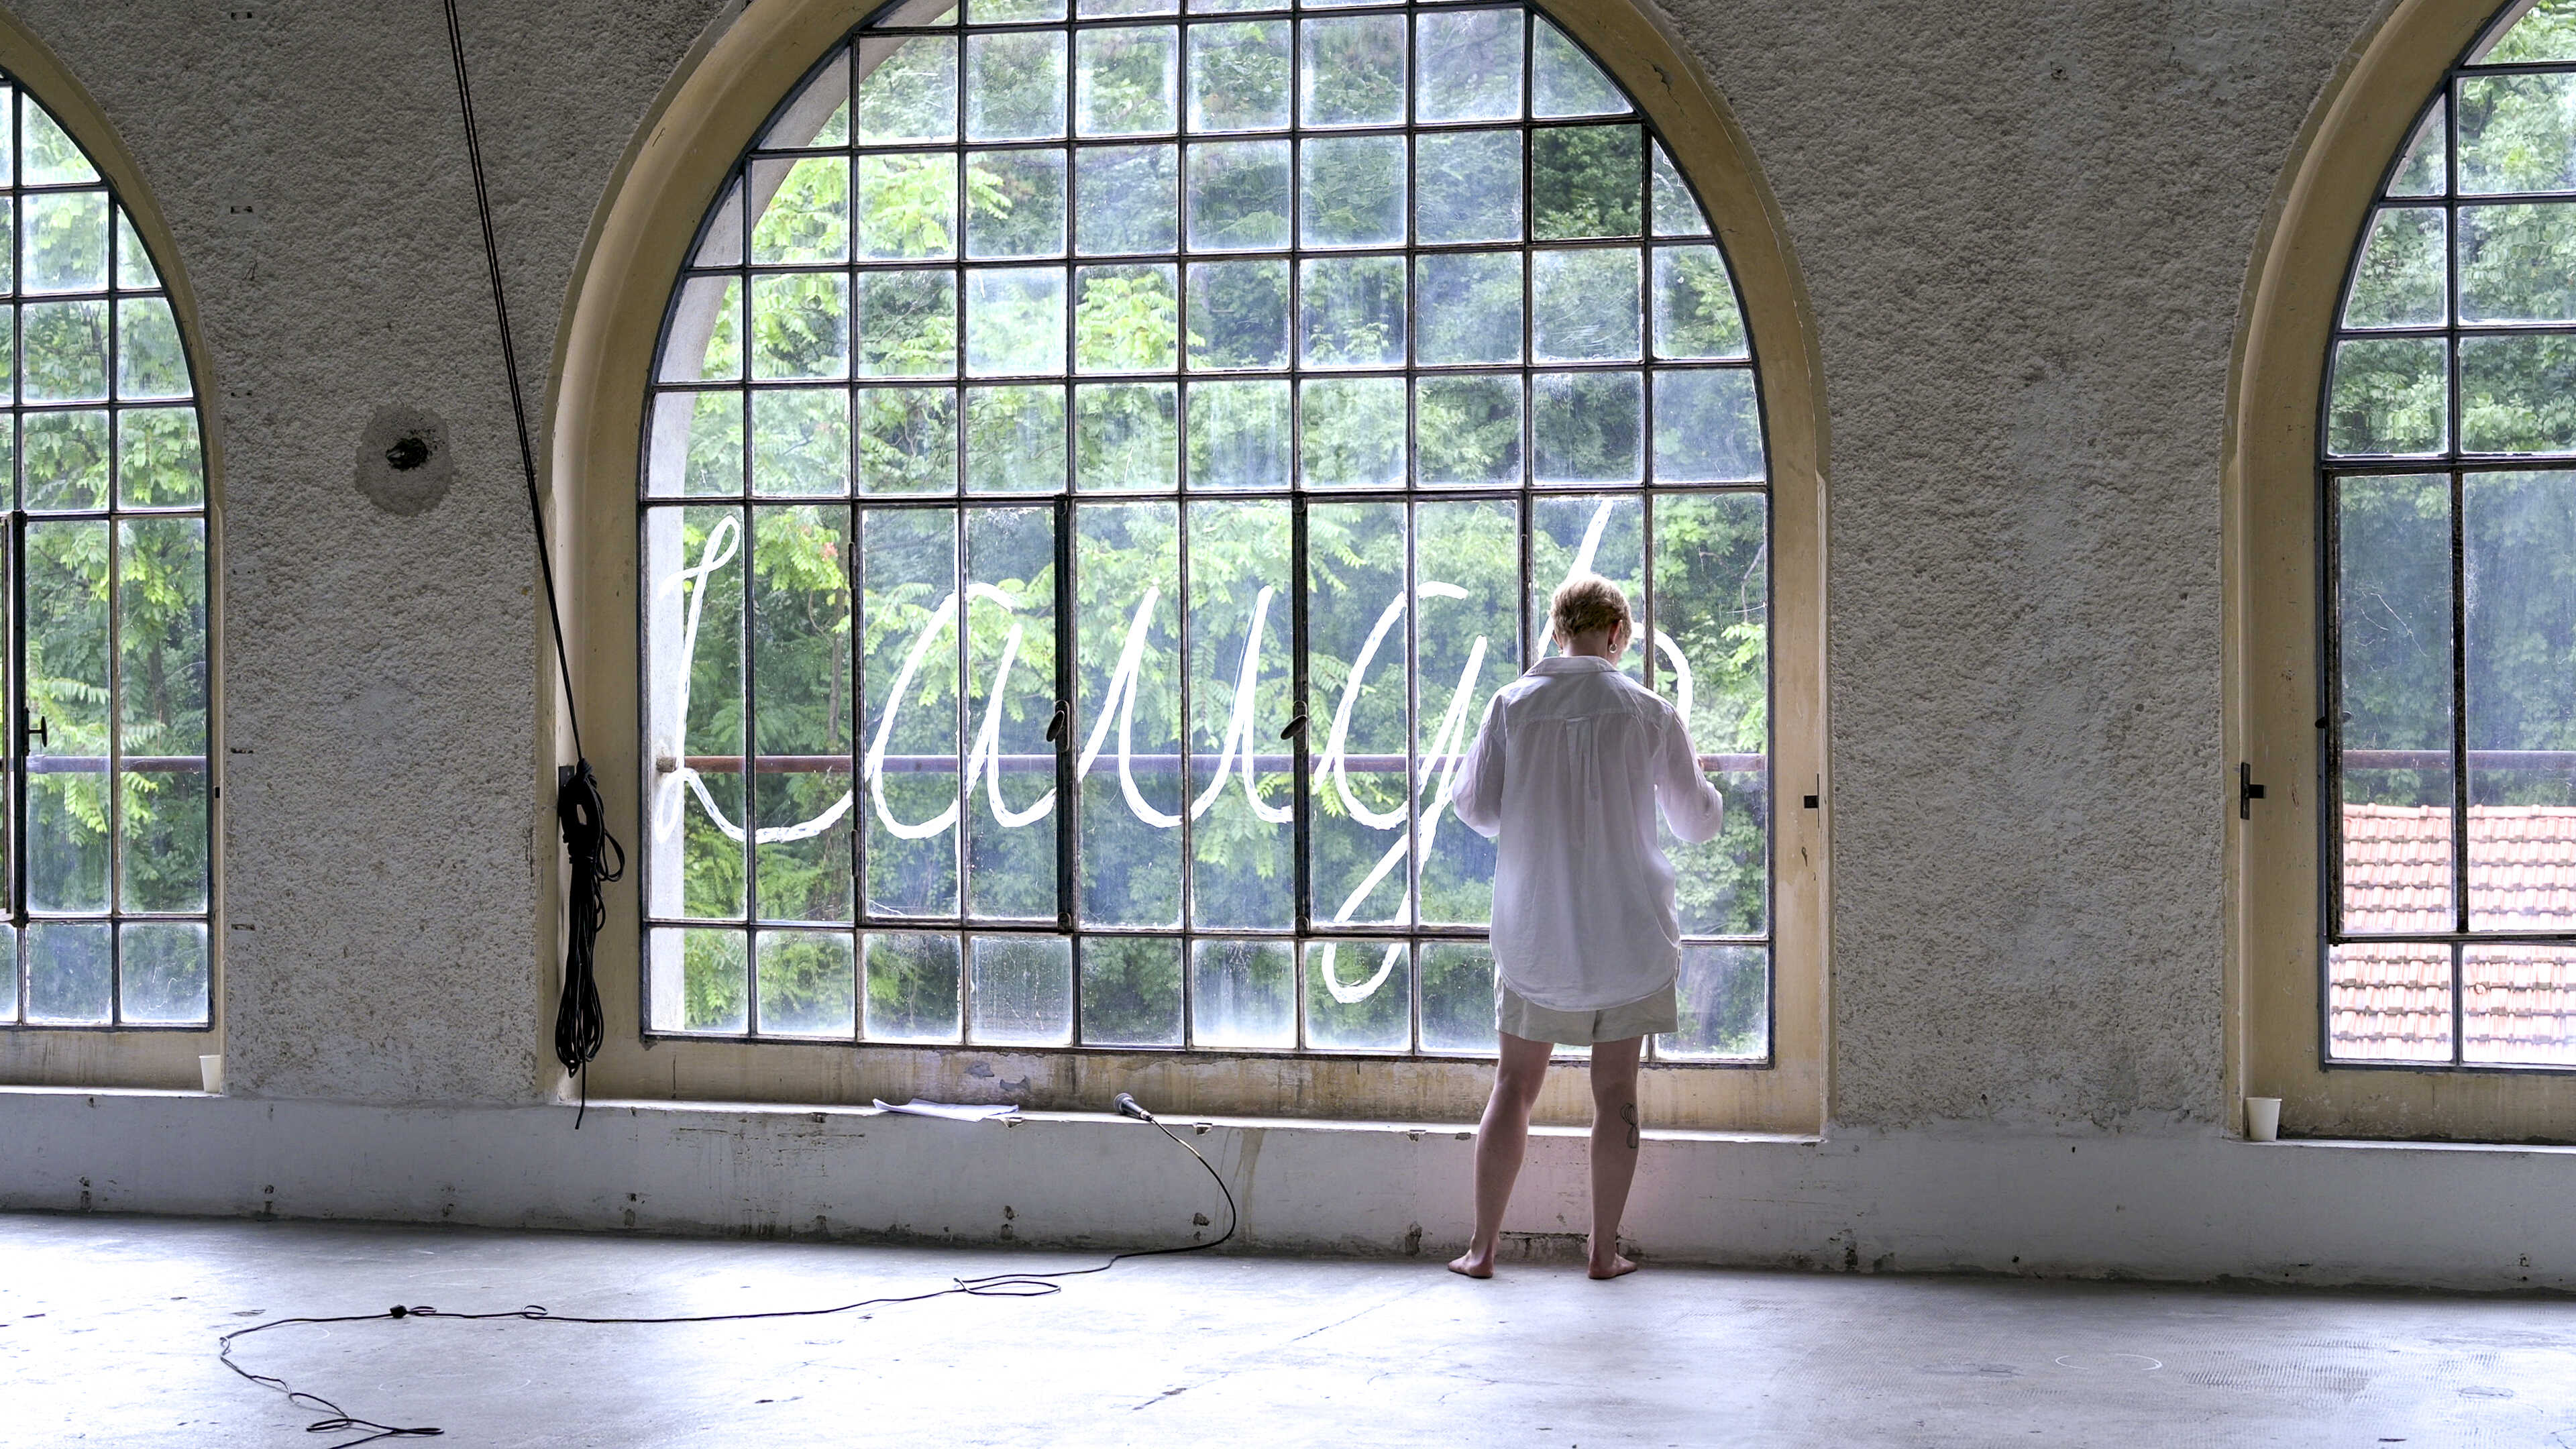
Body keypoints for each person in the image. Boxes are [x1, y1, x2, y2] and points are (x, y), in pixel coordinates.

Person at [1442, 572, 1725, 1280]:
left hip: (1536, 929)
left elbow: (1474, 806)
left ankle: (1482, 1250)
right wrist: (1710, 783)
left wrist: (1541, 811)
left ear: (1556, 632)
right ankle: (1602, 1253)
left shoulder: (1511, 705)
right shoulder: (1650, 712)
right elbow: (1696, 824)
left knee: (1513, 1087)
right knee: (1617, 1095)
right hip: (1626, 931)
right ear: (1620, 635)